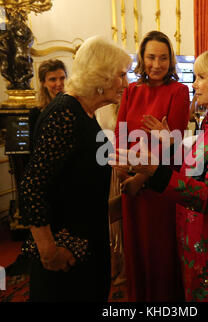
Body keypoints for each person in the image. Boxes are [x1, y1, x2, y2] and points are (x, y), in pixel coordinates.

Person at [110, 46, 208, 302]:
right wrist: (171, 145)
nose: (194, 83)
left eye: (202, 77)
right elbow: (196, 169)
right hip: (196, 237)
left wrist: (156, 172)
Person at [18, 35, 131, 302]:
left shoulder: (86, 112)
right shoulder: (64, 113)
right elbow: (32, 186)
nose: (126, 83)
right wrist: (49, 251)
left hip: (87, 244)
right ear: (101, 76)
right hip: (65, 254)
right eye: (120, 75)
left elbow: (77, 186)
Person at [115, 30, 190, 301]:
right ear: (141, 58)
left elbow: (176, 144)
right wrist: (123, 172)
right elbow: (120, 134)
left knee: (159, 249)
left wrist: (142, 178)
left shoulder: (179, 92)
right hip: (130, 185)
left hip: (159, 185)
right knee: (136, 248)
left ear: (171, 61)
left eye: (163, 58)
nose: (156, 64)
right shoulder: (130, 91)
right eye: (150, 57)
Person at [95, 104, 126, 286]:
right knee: (106, 218)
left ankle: (125, 265)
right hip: (102, 166)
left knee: (120, 219)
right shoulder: (100, 106)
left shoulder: (130, 98)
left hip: (121, 165)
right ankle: (113, 260)